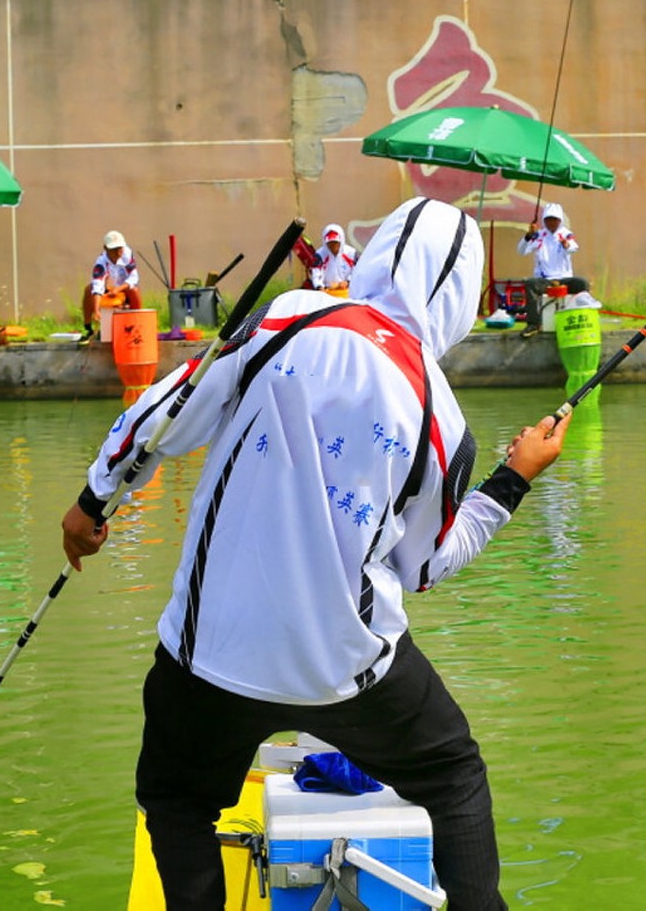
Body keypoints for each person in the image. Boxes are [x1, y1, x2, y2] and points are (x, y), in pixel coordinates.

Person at [61, 197, 570, 911]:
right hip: (346, 669)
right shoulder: (443, 419)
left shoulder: (287, 316)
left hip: (208, 653)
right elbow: (424, 568)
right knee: (453, 776)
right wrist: (512, 481)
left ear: (374, 255)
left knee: (178, 804)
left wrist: (95, 500)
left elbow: (168, 412)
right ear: (458, 299)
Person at [516, 202, 589, 337]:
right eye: (548, 219)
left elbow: (573, 247)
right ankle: (533, 324)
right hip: (545, 280)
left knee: (582, 283)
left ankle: (583, 320)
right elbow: (521, 251)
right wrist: (528, 236)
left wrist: (566, 245)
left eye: (555, 220)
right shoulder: (538, 236)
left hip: (564, 278)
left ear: (560, 220)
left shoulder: (565, 234)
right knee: (530, 284)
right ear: (544, 220)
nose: (552, 223)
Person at [82, 230, 142, 340]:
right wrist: (96, 311)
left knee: (134, 290)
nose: (118, 252)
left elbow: (134, 277)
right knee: (88, 289)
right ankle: (88, 327)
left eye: (120, 248)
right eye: (113, 249)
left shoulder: (127, 254)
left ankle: (138, 323)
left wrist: (118, 289)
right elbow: (97, 286)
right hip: (107, 289)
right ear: (105, 248)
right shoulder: (101, 262)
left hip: (124, 288)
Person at [310, 223, 358, 292]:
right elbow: (316, 274)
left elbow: (357, 270)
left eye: (336, 243)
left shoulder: (351, 253)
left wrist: (348, 282)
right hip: (327, 291)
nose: (333, 246)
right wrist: (319, 287)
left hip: (347, 290)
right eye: (330, 243)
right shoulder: (319, 255)